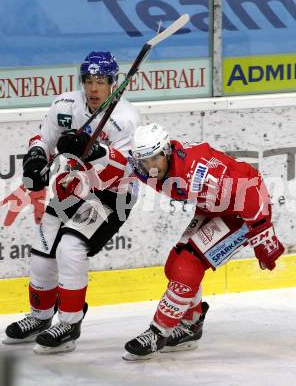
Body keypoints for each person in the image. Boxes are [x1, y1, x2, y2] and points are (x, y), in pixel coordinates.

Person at [56, 123, 284, 360]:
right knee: (174, 266)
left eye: (154, 159)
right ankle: (191, 324)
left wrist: (263, 235)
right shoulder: (145, 164)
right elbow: (121, 165)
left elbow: (251, 189)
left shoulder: (199, 173)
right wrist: (92, 151)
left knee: (188, 266)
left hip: (241, 214)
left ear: (166, 152)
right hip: (214, 207)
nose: (150, 168)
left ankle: (159, 332)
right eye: (144, 161)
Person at [3, 51, 141, 354]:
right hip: (73, 190)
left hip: (111, 195)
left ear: (113, 83)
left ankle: (70, 322)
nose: (93, 89)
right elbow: (42, 138)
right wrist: (37, 156)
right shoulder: (64, 105)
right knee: (43, 248)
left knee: (70, 247)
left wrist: (98, 153)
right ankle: (40, 317)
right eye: (88, 81)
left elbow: (131, 168)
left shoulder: (126, 118)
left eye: (101, 82)